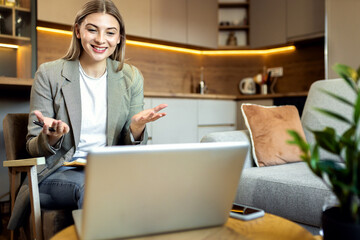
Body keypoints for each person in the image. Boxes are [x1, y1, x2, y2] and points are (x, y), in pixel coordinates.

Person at [8, 0, 167, 230]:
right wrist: (51, 137)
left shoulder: (131, 77)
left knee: (161, 184)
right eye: (92, 29)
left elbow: (131, 147)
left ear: (120, 37)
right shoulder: (50, 74)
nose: (101, 39)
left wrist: (135, 128)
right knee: (96, 187)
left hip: (109, 170)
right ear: (78, 30)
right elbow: (32, 147)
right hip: (58, 172)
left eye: (110, 32)